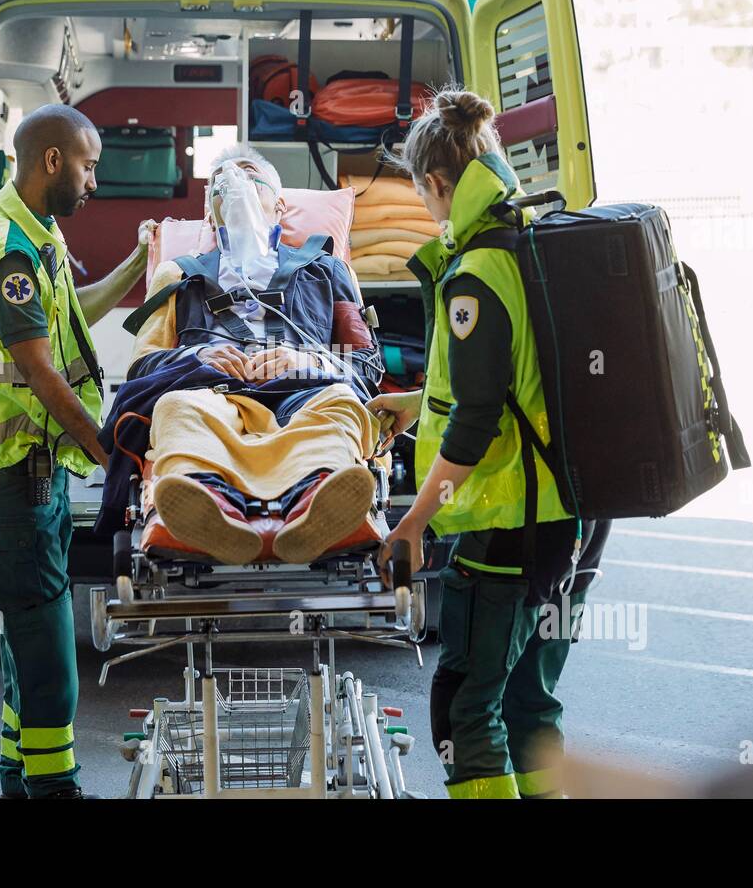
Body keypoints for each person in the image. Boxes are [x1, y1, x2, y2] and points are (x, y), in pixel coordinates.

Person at [369, 87, 603, 799]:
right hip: (580, 509)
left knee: (466, 702)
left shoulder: (475, 273)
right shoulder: (529, 241)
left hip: (511, 522)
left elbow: (476, 425)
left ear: (438, 184)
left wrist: (410, 526)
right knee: (528, 699)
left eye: (422, 194)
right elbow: (519, 380)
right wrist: (415, 405)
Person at [0, 103, 146, 799]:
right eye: (89, 166)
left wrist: (141, 265)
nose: (95, 180)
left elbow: (73, 312)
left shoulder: (36, 235)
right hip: (5, 482)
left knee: (25, 645)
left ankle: (16, 777)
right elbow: (40, 372)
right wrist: (114, 454)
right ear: (52, 162)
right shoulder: (9, 255)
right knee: (51, 657)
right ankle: (56, 791)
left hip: (32, 472)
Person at [106, 144, 385, 565]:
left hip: (303, 396)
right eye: (220, 181)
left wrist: (308, 362)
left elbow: (365, 364)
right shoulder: (178, 275)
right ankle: (208, 508)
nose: (233, 182)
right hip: (210, 396)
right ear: (209, 215)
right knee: (175, 408)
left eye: (250, 173)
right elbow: (142, 367)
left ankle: (316, 505)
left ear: (280, 204)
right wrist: (196, 359)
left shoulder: (327, 269)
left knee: (342, 405)